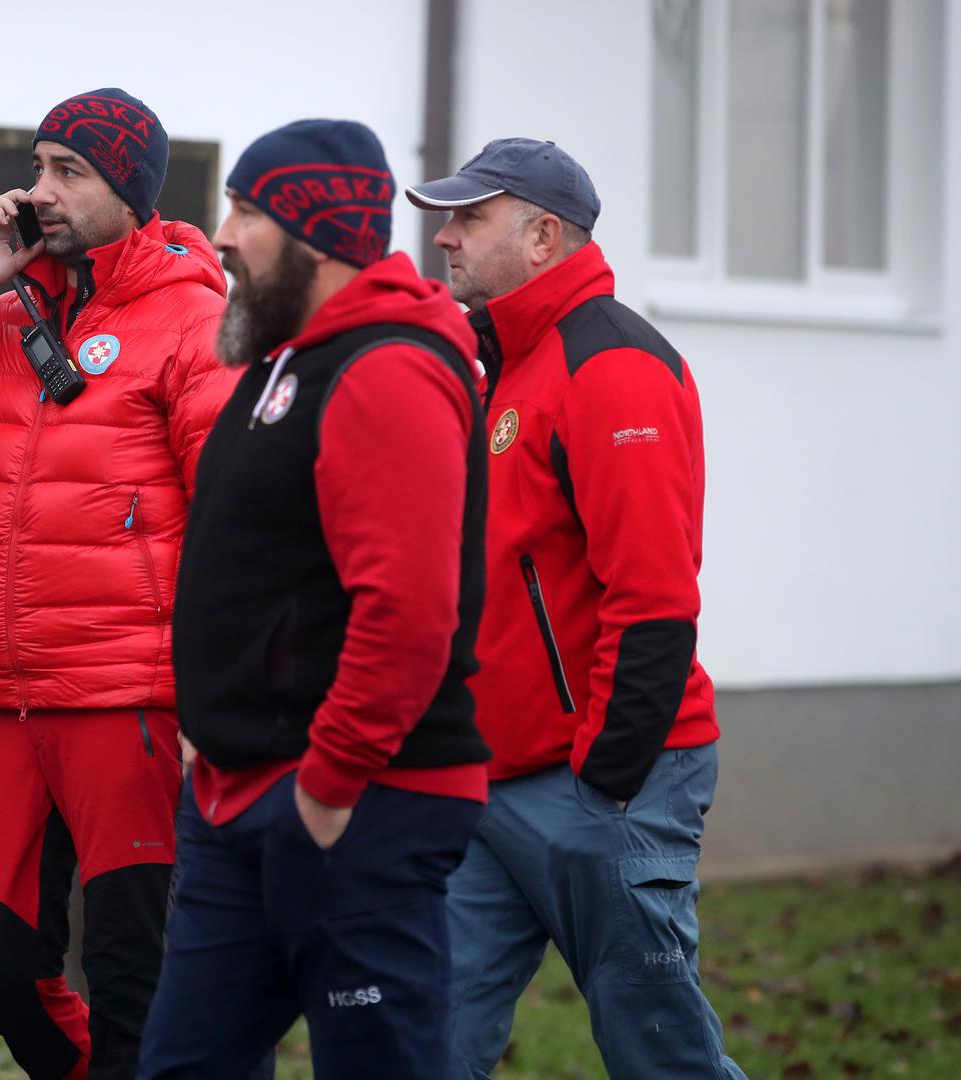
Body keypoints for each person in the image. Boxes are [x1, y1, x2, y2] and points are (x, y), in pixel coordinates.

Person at [0, 88, 235, 1080]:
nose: (39, 192)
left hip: (129, 702)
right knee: (3, 977)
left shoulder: (193, 320)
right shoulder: (1, 315)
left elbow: (230, 514)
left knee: (130, 978)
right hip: (9, 705)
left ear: (132, 190)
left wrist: (211, 691)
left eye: (69, 171)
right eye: (37, 168)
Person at [137, 119, 491, 1079]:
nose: (218, 235)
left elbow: (410, 611)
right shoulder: (289, 362)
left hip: (354, 806)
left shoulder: (390, 369)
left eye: (247, 210)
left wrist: (329, 791)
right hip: (238, 798)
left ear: (317, 233)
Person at [407, 137, 747, 1078]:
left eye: (471, 217)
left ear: (544, 235)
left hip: (602, 782)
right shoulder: (511, 365)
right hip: (493, 780)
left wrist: (607, 776)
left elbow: (655, 597)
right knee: (423, 1037)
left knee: (659, 1054)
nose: (447, 238)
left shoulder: (611, 365)